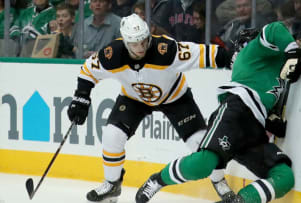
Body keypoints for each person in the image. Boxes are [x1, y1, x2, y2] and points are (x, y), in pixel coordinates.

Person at [66, 13, 234, 202]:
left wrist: (233, 57)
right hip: (133, 99)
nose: (141, 48)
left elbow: (204, 53)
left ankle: (219, 181)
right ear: (124, 41)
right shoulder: (111, 55)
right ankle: (112, 185)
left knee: (201, 144)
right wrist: (81, 98)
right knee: (112, 135)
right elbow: (88, 70)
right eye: (134, 44)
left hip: (175, 98)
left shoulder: (167, 50)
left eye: (144, 41)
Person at [135, 21, 301, 203]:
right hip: (235, 111)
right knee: (203, 164)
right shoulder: (249, 54)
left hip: (254, 130)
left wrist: (271, 118)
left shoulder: (272, 63)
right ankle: (157, 180)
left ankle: (239, 201)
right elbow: (273, 29)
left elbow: (265, 94)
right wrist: (292, 50)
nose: (235, 54)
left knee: (284, 176)